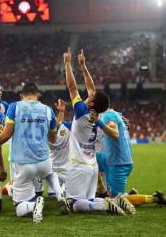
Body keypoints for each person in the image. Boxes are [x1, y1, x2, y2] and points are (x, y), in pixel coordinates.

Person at [0, 83, 68, 223]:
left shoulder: (15, 107)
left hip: (23, 163)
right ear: (37, 94)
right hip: (43, 160)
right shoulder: (48, 110)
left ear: (21, 95)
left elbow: (6, 135)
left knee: (19, 208)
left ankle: (34, 205)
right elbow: (53, 138)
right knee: (50, 173)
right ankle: (59, 195)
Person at [63, 48, 129, 215]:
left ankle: (107, 205)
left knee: (75, 205)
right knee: (89, 200)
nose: (89, 95)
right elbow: (91, 88)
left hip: (78, 165)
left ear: (91, 104)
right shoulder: (98, 114)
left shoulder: (80, 111)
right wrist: (83, 66)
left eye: (91, 98)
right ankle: (116, 200)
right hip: (92, 166)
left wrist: (67, 64)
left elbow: (72, 87)